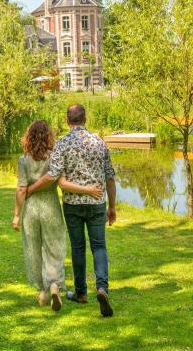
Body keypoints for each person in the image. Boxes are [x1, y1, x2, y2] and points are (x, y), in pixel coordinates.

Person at [26, 104, 116, 317]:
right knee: (99, 246)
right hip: (96, 203)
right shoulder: (99, 142)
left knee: (77, 247)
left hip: (72, 205)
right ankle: (102, 288)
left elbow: (53, 175)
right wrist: (112, 206)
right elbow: (110, 177)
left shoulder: (62, 144)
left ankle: (81, 292)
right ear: (85, 118)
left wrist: (29, 188)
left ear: (68, 121)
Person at [12, 120, 102, 311]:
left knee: (34, 249)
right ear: (49, 137)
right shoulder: (54, 157)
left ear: (29, 137)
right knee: (54, 247)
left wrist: (17, 215)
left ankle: (42, 292)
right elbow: (59, 181)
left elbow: (21, 190)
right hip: (51, 207)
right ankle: (54, 285)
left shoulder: (23, 160)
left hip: (31, 210)